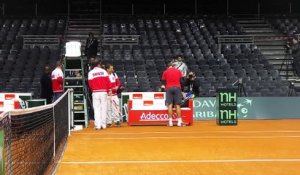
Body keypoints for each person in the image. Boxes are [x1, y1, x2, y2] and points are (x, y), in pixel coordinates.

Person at [88, 59, 112, 130]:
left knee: (96, 109)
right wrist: (109, 90)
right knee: (104, 108)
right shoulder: (104, 71)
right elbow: (108, 82)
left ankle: (97, 126)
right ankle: (103, 125)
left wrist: (93, 90)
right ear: (99, 64)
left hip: (95, 92)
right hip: (104, 92)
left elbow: (90, 84)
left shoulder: (91, 73)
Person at [162, 62, 185, 127]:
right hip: (177, 88)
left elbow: (163, 82)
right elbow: (182, 82)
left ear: (168, 67)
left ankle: (170, 122)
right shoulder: (178, 71)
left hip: (168, 88)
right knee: (177, 105)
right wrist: (182, 91)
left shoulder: (165, 72)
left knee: (170, 105)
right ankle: (179, 122)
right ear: (173, 66)